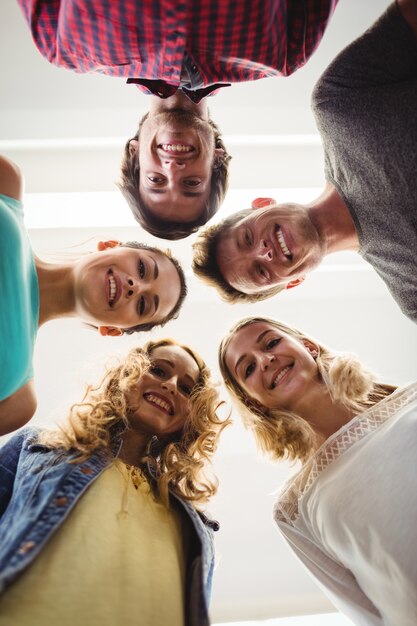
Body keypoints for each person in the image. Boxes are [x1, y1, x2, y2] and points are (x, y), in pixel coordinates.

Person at [17, 0, 339, 239]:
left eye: (155, 181)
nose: (172, 169)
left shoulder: (62, 46)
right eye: (192, 184)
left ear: (134, 152)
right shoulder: (286, 52)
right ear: (218, 158)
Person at [193, 0, 417, 322]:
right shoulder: (412, 293)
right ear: (294, 281)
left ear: (262, 203)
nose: (264, 252)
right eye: (260, 271)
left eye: (247, 238)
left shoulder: (337, 104)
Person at [0, 338, 230, 626]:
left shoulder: (197, 528)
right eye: (159, 371)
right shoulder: (36, 448)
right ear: (126, 375)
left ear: (191, 415)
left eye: (185, 388)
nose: (171, 385)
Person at [218, 315, 417, 626]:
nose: (266, 359)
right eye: (249, 368)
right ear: (254, 404)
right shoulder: (294, 510)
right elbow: (366, 614)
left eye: (271, 343)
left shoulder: (413, 399)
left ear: (308, 347)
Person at [0, 154, 187, 435]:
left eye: (143, 304)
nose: (135, 286)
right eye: (142, 268)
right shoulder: (7, 180)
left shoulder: (19, 400)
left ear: (112, 330)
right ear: (110, 245)